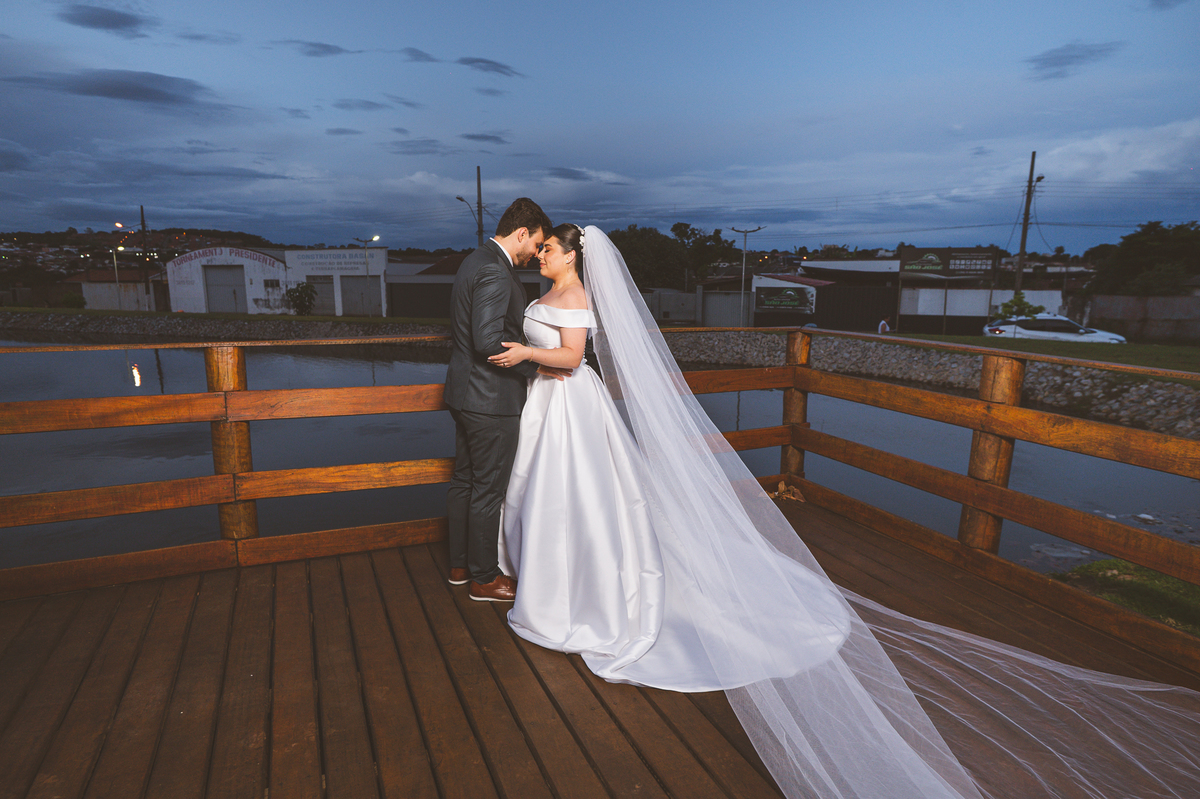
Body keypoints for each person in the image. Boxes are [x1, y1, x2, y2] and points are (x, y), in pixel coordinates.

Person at [486, 224, 1200, 798]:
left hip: (569, 402)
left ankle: (586, 595)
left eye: (548, 249)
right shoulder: (553, 289)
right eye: (539, 249)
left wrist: (524, 353)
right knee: (558, 500)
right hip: (551, 408)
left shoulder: (575, 297)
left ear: (574, 255)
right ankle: (559, 585)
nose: (541, 255)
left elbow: (574, 359)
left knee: (588, 502)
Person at [443, 197, 564, 602]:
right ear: (522, 233)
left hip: (464, 395)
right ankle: (484, 579)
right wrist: (536, 367)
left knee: (464, 481)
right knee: (488, 490)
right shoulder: (496, 270)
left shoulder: (474, 259)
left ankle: (459, 566)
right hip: (490, 400)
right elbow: (487, 340)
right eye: (537, 244)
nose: (536, 253)